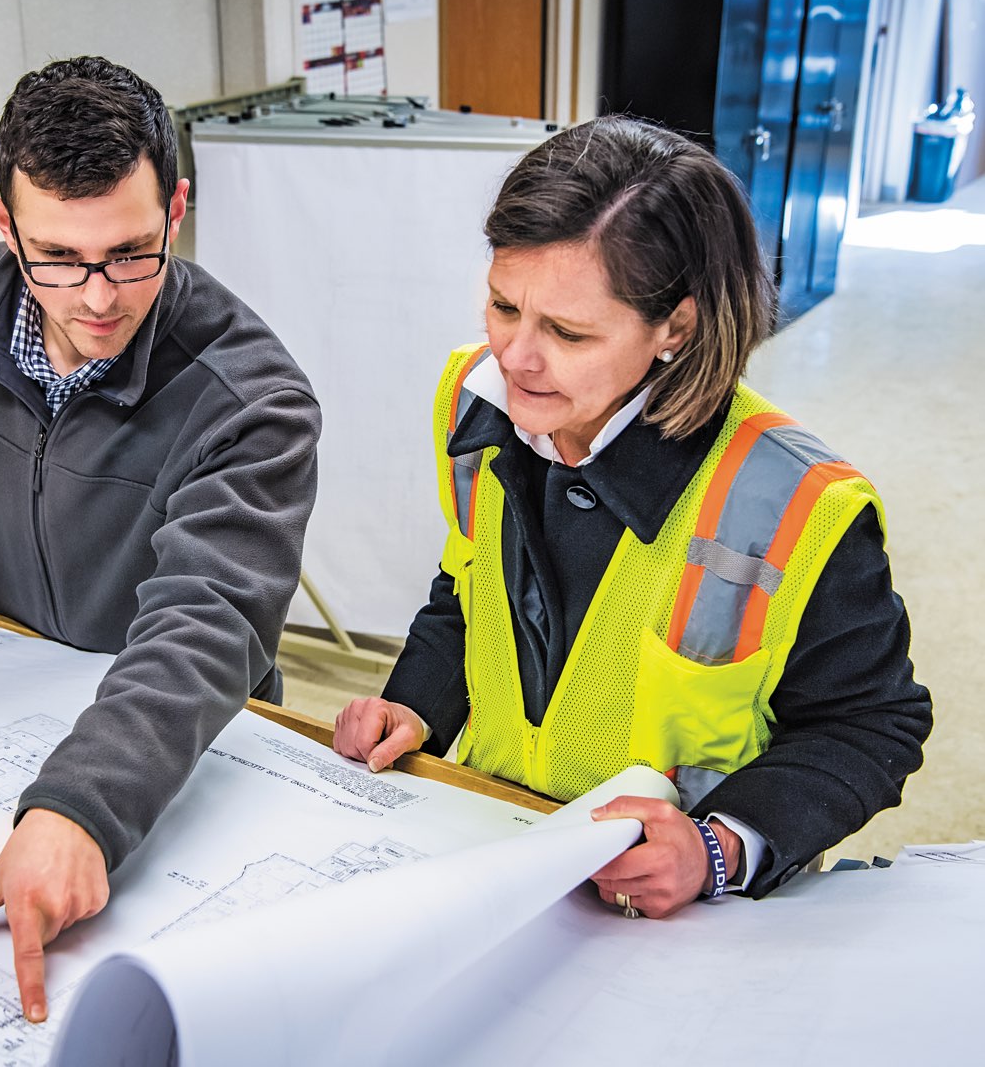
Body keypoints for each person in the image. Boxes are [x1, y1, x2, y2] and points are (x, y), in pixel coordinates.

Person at [0, 57, 320, 1020]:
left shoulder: (253, 401)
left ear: (178, 207)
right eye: (58, 259)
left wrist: (80, 807)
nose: (100, 295)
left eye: (131, 251)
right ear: (5, 225)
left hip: (172, 745)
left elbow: (206, 626)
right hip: (6, 701)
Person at [333, 116, 930, 919]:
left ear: (675, 327)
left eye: (568, 331)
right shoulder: (470, 403)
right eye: (504, 306)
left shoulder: (797, 506)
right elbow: (467, 594)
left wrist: (718, 849)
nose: (514, 358)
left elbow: (869, 724)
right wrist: (416, 707)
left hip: (670, 918)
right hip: (492, 843)